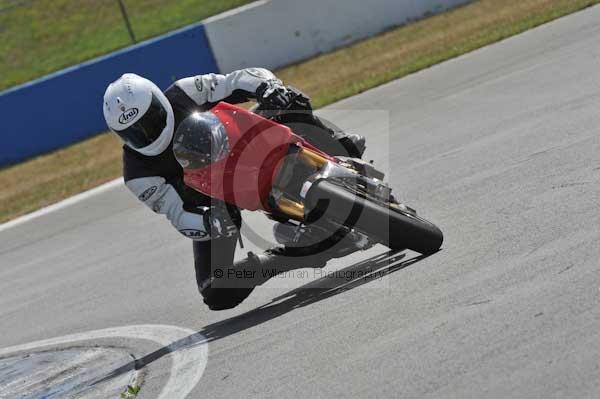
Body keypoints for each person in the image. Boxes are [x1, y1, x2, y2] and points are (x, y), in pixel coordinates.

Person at [102, 68, 366, 310]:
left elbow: (236, 80)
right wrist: (207, 222)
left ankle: (340, 148)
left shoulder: (184, 92)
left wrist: (267, 86)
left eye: (150, 120)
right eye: (134, 132)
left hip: (242, 145)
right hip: (215, 203)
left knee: (288, 99)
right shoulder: (138, 175)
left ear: (159, 101)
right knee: (215, 291)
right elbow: (177, 213)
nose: (146, 133)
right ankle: (296, 254)